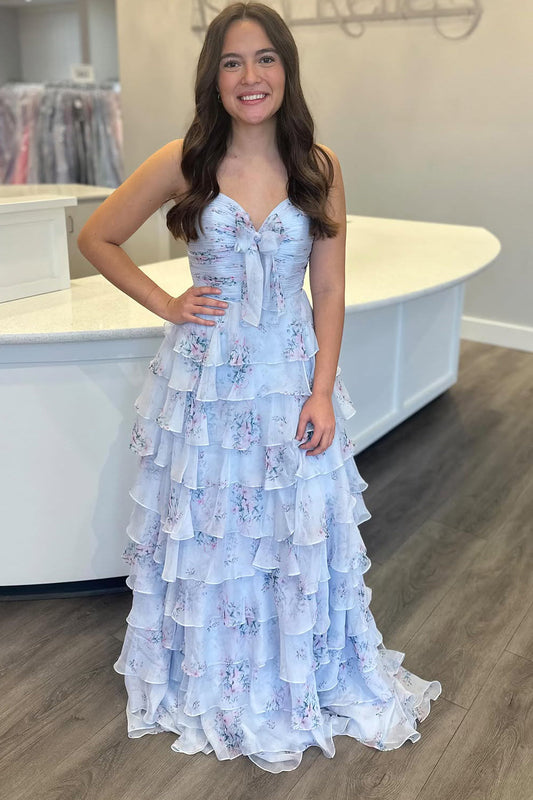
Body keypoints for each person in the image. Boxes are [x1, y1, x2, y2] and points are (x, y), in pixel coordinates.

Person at [78, 1, 441, 774]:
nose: (251, 76)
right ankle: (220, 675)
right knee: (215, 536)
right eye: (233, 62)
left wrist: (321, 390)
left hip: (287, 377)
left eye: (265, 58)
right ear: (213, 76)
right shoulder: (185, 159)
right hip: (206, 386)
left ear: (286, 69)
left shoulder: (318, 164)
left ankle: (297, 670)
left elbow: (329, 290)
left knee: (291, 529)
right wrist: (166, 303)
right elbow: (97, 236)